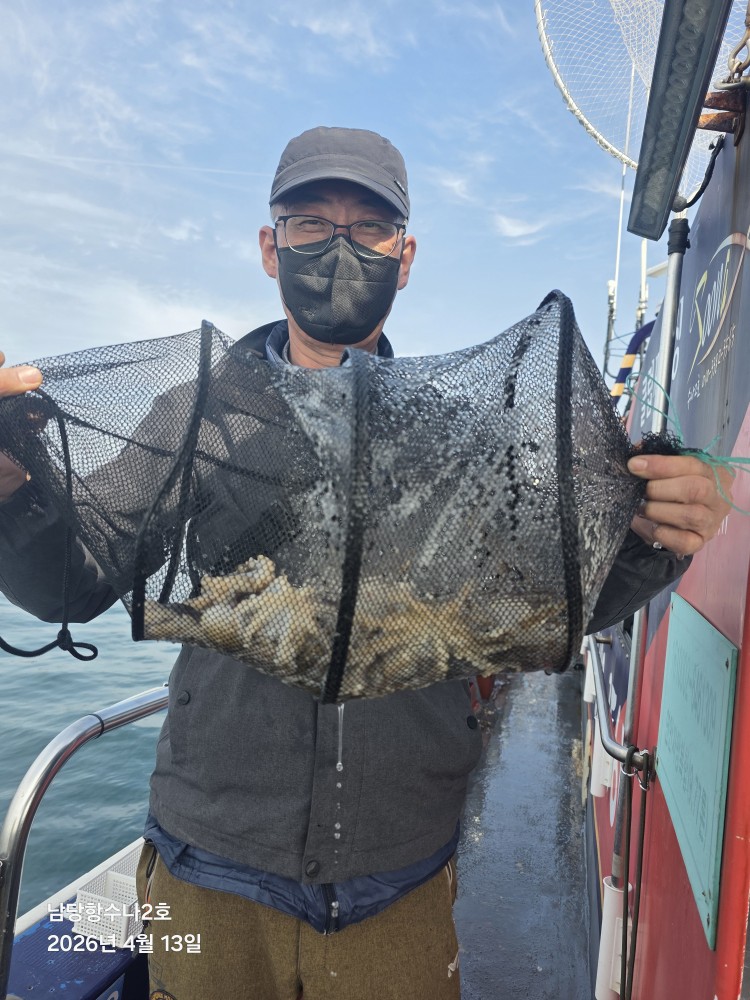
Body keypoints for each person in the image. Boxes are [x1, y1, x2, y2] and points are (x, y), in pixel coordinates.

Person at [0, 126, 732, 1000]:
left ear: (404, 256)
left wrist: (655, 540)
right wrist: (11, 488)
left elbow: (544, 607)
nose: (338, 247)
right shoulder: (196, 415)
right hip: (208, 864)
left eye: (370, 228)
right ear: (270, 247)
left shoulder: (456, 434)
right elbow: (73, 584)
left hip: (401, 874)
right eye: (310, 224)